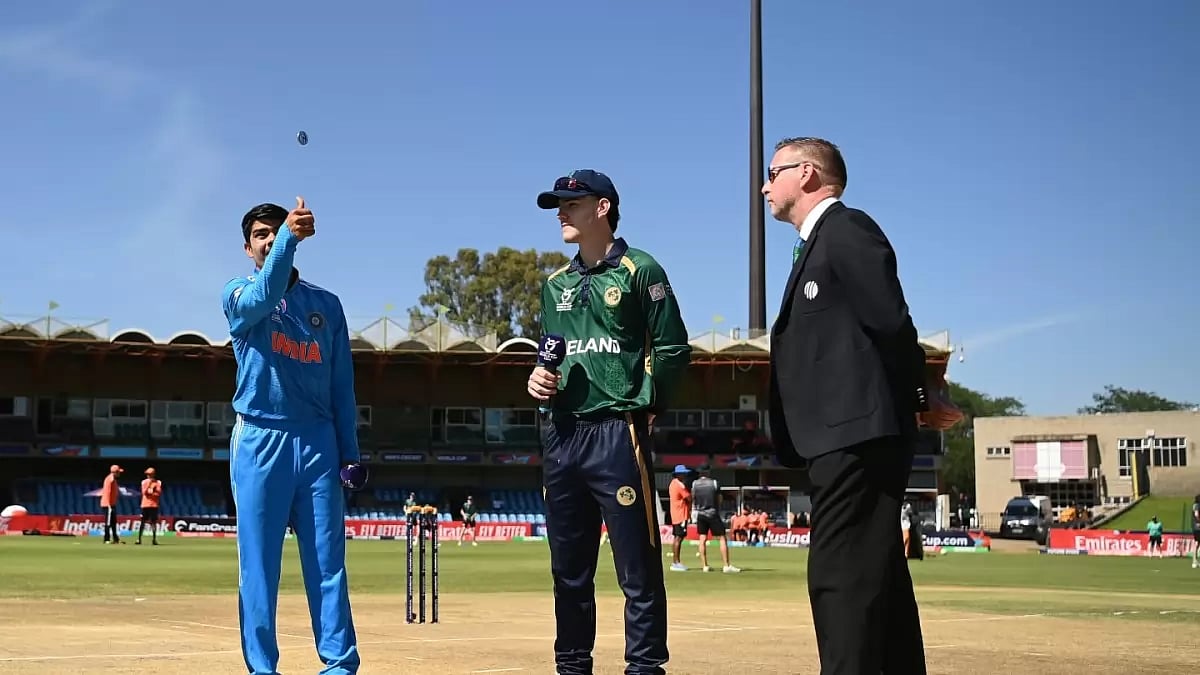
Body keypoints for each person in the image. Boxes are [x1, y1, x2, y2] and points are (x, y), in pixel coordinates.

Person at [763, 137, 954, 674]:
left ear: (806, 174)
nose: (764, 185)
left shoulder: (846, 229)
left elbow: (891, 322)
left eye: (772, 172)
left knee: (840, 578)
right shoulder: (817, 242)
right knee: (877, 580)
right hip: (843, 437)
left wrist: (920, 395)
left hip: (857, 436)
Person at [526, 169, 691, 675]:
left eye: (572, 204)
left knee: (636, 566)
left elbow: (673, 349)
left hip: (618, 434)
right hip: (563, 434)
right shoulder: (556, 285)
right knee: (568, 570)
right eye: (558, 205)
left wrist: (644, 401)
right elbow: (556, 352)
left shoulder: (642, 270)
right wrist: (538, 380)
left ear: (603, 208)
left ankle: (644, 667)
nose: (561, 213)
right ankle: (571, 665)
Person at [222, 198, 364, 675]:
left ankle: (340, 665)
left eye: (274, 232)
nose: (268, 240)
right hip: (260, 439)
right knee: (259, 568)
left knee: (328, 565)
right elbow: (266, 295)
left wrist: (350, 451)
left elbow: (342, 385)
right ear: (248, 247)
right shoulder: (239, 296)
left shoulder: (327, 306)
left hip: (319, 442)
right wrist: (288, 236)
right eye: (261, 235)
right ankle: (263, 668)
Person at [690, 464, 740, 573]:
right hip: (712, 513)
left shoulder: (694, 484)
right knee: (722, 538)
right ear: (708, 472)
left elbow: (693, 498)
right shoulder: (714, 483)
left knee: (702, 538)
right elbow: (719, 498)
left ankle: (705, 566)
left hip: (701, 514)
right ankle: (726, 565)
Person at [668, 465, 692, 571]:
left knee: (677, 538)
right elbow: (689, 497)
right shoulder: (679, 485)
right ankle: (676, 562)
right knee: (679, 537)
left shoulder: (673, 483)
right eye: (683, 473)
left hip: (676, 513)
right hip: (681, 514)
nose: (685, 475)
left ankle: (676, 561)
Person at [137, 467, 162, 546]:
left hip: (154, 505)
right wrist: (149, 486)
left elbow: (158, 493)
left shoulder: (158, 482)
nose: (148, 476)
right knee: (142, 522)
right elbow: (144, 492)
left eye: (150, 474)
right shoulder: (144, 482)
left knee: (153, 523)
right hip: (145, 505)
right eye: (147, 474)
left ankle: (154, 539)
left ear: (153, 474)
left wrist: (152, 493)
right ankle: (139, 539)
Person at [100, 464, 123, 544]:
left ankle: (115, 539)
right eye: (118, 472)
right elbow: (108, 492)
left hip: (111, 504)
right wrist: (109, 504)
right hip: (108, 504)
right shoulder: (110, 479)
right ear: (115, 472)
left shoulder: (113, 479)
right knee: (108, 522)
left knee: (113, 522)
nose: (119, 474)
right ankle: (106, 539)